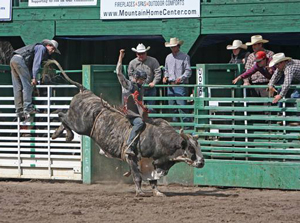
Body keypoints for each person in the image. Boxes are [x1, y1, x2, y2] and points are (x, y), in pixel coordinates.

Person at [10, 39, 60, 120]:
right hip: (20, 61)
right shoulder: (41, 48)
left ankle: (19, 110)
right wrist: (34, 77)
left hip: (13, 59)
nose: (53, 51)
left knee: (17, 86)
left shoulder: (35, 48)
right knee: (27, 86)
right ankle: (28, 108)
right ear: (48, 45)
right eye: (53, 48)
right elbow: (36, 63)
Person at [116, 49, 148, 156]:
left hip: (135, 112)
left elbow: (140, 101)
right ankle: (129, 145)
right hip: (128, 112)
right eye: (142, 79)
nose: (143, 81)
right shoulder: (129, 85)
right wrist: (120, 57)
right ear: (137, 78)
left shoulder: (140, 88)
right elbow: (119, 73)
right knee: (139, 123)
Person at [163, 37, 192, 123]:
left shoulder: (185, 57)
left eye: (174, 46)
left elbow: (188, 71)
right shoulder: (168, 57)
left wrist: (181, 78)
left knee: (182, 107)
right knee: (172, 108)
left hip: (180, 85)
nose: (172, 48)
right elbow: (166, 70)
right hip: (171, 84)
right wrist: (165, 77)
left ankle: (187, 128)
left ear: (178, 46)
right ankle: (175, 127)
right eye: (171, 47)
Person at [128, 43, 161, 111]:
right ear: (136, 54)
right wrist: (133, 80)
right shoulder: (132, 63)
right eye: (139, 54)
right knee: (137, 108)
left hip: (149, 88)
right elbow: (130, 74)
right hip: (137, 89)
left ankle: (150, 120)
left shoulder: (153, 61)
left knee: (150, 108)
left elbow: (158, 72)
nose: (141, 55)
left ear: (146, 53)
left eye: (142, 53)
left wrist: (154, 82)